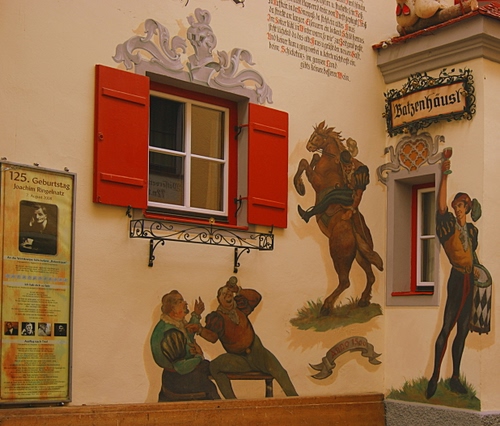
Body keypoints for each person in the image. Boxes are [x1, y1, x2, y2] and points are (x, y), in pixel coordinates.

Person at [426, 158, 482, 399]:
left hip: (471, 280)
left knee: (463, 330)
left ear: (467, 208)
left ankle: (455, 377)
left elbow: (472, 254)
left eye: (462, 205)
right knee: (447, 327)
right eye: (457, 205)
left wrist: (477, 269)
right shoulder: (447, 225)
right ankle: (434, 376)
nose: (459, 209)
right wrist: (444, 172)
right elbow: (440, 207)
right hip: (457, 279)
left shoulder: (472, 231)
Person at [196, 277, 298, 399]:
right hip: (239, 359)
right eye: (224, 294)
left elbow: (256, 297)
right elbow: (212, 338)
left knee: (280, 373)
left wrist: (238, 290)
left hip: (258, 352)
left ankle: (297, 403)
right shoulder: (217, 317)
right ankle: (233, 403)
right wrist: (199, 330)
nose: (227, 295)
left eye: (229, 293)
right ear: (219, 299)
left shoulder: (240, 306)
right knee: (214, 366)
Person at [150, 290, 220, 402]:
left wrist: (196, 315)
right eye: (180, 301)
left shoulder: (175, 323)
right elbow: (181, 367)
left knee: (212, 368)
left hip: (181, 373)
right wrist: (199, 356)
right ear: (172, 309)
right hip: (178, 380)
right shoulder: (171, 333)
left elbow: (187, 337)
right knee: (210, 388)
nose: (185, 303)